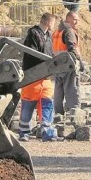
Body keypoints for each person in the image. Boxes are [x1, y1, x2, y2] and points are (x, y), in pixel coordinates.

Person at [18, 13, 60, 141]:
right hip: (33, 76)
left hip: (45, 77)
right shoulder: (34, 33)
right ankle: (24, 132)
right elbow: (32, 53)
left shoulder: (47, 35)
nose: (54, 25)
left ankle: (47, 131)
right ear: (48, 22)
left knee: (47, 104)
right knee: (28, 104)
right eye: (53, 23)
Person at [53, 10, 85, 115]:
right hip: (69, 65)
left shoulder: (57, 32)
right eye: (75, 19)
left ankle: (58, 114)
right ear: (68, 19)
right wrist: (80, 62)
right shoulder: (69, 31)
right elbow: (72, 47)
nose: (77, 22)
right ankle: (74, 114)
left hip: (57, 65)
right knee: (72, 88)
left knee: (58, 90)